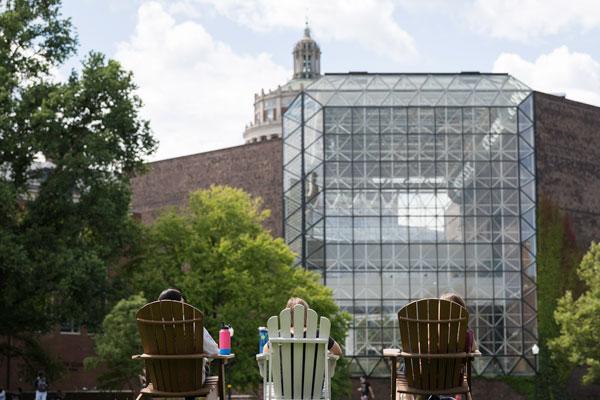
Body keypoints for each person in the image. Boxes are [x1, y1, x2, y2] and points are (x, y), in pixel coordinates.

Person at [157, 288, 219, 400]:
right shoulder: (191, 323)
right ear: (181, 305)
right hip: (191, 381)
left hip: (161, 381)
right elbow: (214, 352)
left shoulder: (151, 326)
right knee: (193, 372)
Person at [264, 297, 343, 356]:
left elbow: (265, 352)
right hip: (314, 378)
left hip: (283, 378)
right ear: (307, 314)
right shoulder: (319, 334)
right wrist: (326, 354)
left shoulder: (279, 334)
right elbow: (338, 352)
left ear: (287, 315)